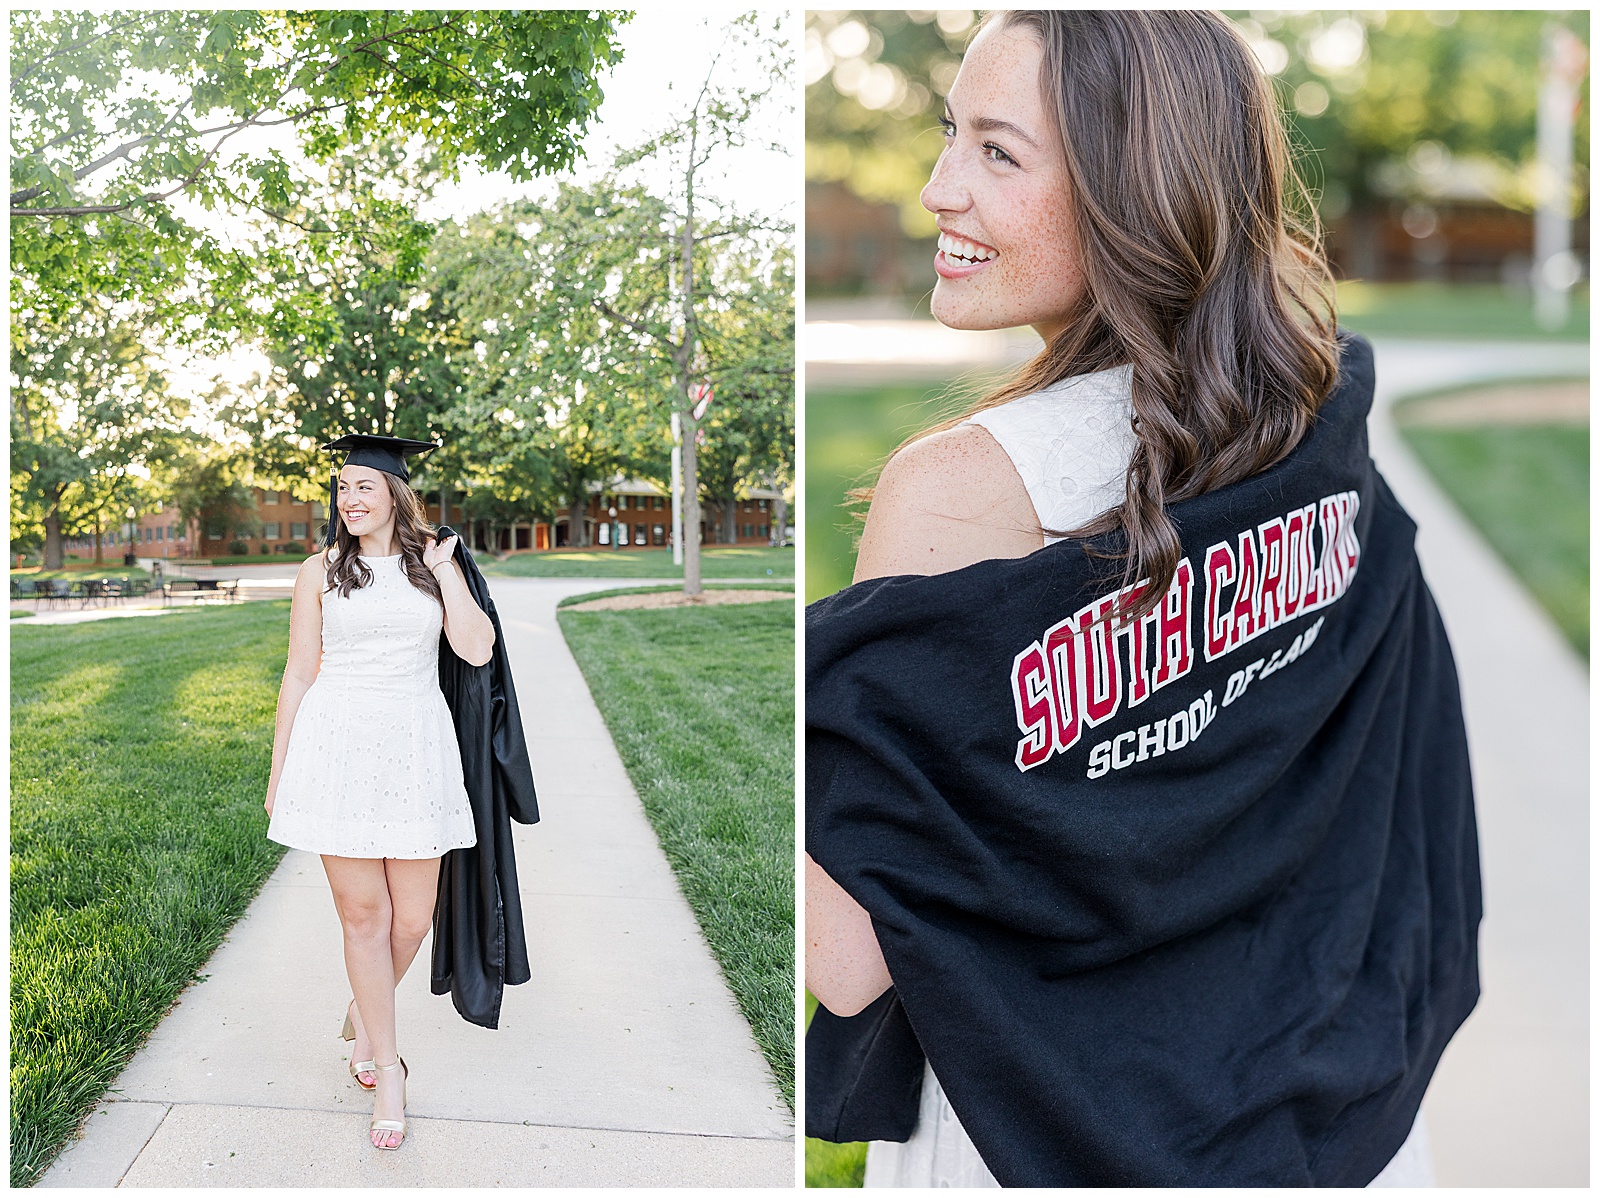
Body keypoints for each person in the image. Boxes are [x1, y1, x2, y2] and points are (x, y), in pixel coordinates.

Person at [805, 10, 1480, 1188]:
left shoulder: (969, 489)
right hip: (1336, 1126)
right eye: (946, 137)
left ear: (1137, 191)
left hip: (1054, 1138)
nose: (933, 190)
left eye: (996, 153)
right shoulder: (1319, 425)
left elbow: (855, 959)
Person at [264, 434, 495, 1150]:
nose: (350, 499)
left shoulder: (434, 568)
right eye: (341, 488)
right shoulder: (320, 572)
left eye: (364, 486)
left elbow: (478, 648)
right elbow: (300, 672)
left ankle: (363, 1015)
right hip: (337, 748)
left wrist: (448, 571)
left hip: (416, 746)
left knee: (413, 918)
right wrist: (279, 773)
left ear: (396, 494)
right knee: (364, 919)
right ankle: (386, 1065)